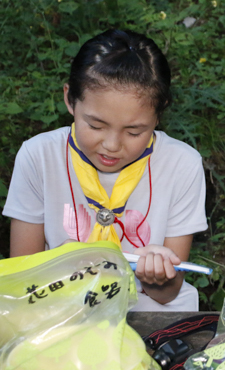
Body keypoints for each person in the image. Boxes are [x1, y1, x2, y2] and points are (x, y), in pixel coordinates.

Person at [3, 29, 208, 311]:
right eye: (96, 126)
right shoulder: (39, 156)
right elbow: (22, 278)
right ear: (69, 99)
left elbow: (166, 295)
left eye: (134, 131)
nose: (112, 145)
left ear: (159, 114)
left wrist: (158, 277)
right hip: (59, 308)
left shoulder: (181, 164)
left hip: (147, 309)